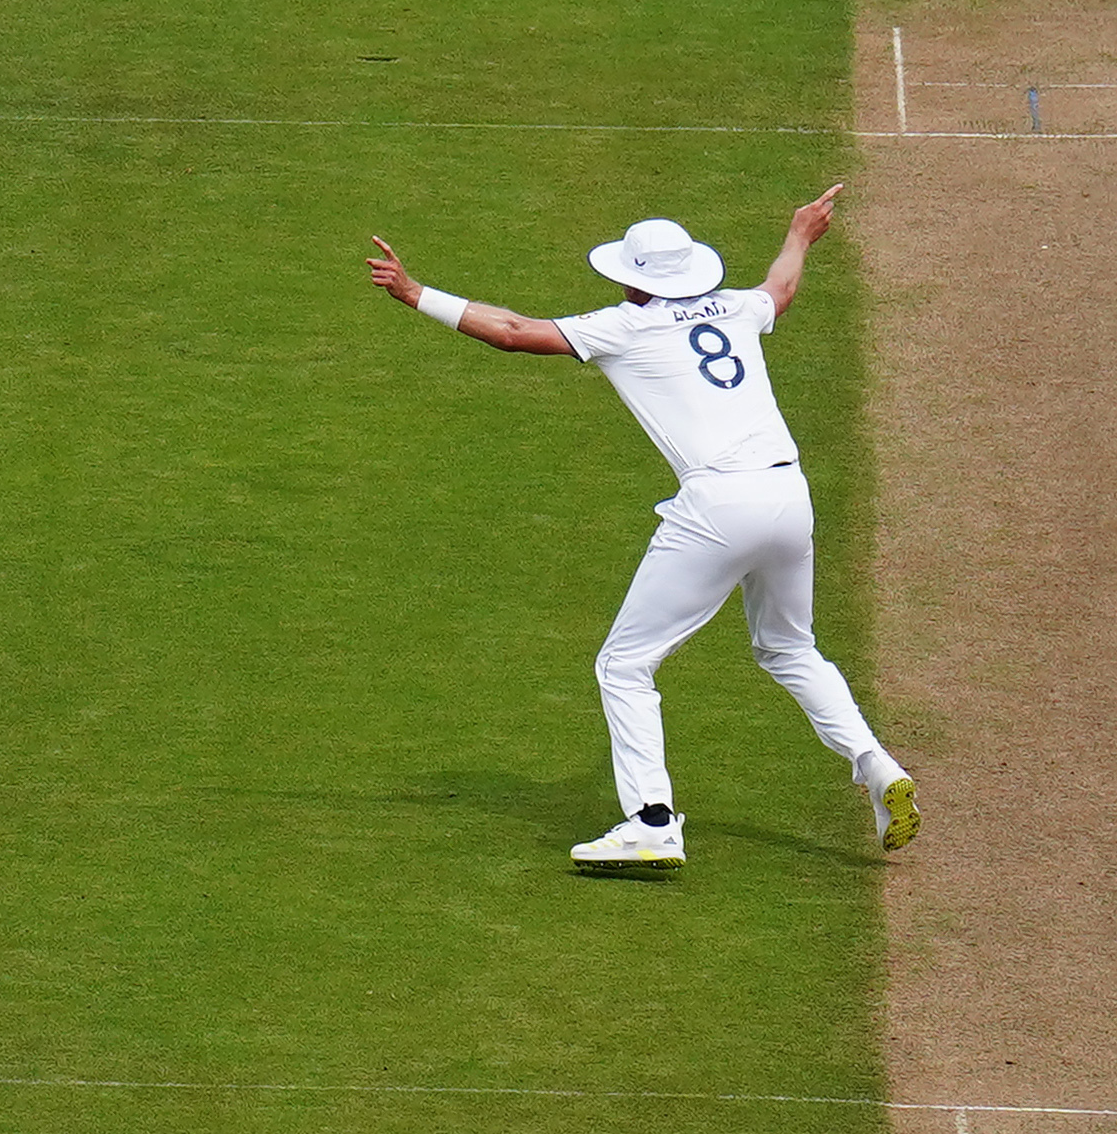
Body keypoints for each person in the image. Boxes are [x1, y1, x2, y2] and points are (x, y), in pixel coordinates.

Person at [366, 189, 913, 874]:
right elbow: (780, 288)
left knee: (623, 665)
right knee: (788, 648)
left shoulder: (624, 328)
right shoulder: (736, 309)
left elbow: (511, 331)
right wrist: (801, 233)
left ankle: (650, 822)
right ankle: (875, 763)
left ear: (634, 278)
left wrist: (416, 293)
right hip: (787, 494)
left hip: (717, 504)